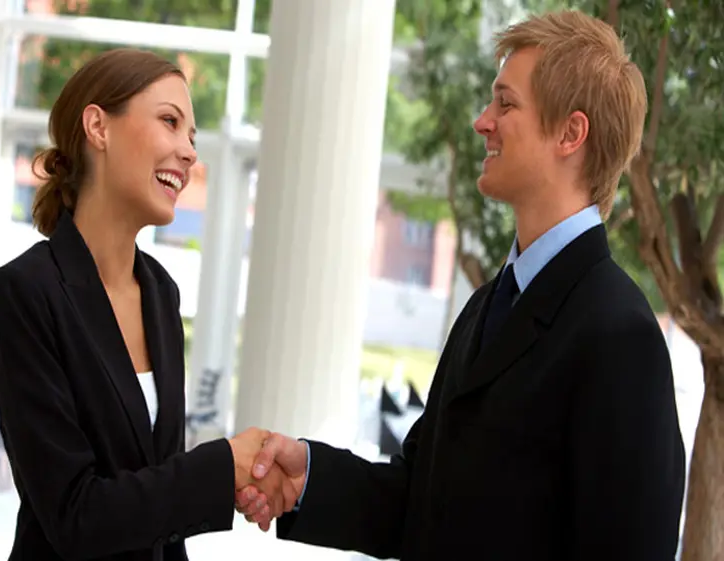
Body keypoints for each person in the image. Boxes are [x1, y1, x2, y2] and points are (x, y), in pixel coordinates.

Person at [235, 10, 686, 561]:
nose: (482, 121)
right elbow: (422, 501)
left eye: (505, 103)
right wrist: (310, 479)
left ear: (571, 132)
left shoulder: (620, 333)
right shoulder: (485, 306)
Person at [0, 48, 300, 561]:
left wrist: (235, 478)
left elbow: (156, 490)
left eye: (192, 138)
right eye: (170, 122)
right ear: (98, 127)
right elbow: (74, 515)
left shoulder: (160, 291)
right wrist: (218, 468)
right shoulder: (24, 291)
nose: (189, 152)